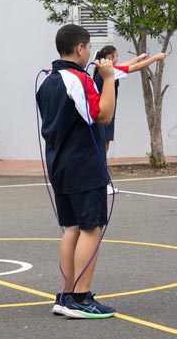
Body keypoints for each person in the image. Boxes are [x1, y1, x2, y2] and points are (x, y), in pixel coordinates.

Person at [37, 24, 122, 318]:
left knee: (72, 228)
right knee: (91, 227)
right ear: (80, 49)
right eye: (87, 47)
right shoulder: (77, 79)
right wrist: (108, 78)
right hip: (82, 164)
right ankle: (80, 297)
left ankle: (66, 294)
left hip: (59, 163)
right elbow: (103, 115)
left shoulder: (47, 81)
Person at [85, 45, 166, 167]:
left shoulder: (103, 69)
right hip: (106, 113)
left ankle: (99, 170)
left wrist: (139, 57)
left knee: (102, 145)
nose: (117, 59)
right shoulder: (111, 72)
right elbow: (137, 67)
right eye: (116, 56)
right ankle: (99, 172)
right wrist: (156, 57)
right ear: (110, 57)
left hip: (101, 112)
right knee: (103, 146)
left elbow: (125, 65)